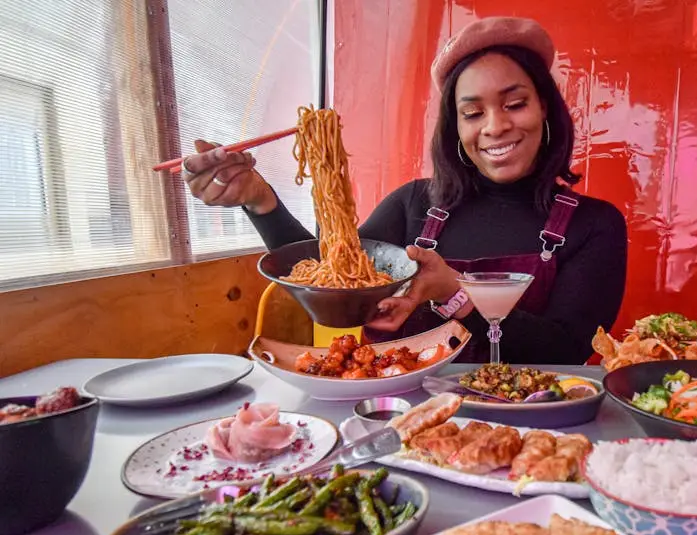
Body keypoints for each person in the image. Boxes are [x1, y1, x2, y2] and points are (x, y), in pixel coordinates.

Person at [180, 17, 627, 364]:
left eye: (514, 104)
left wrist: (456, 294)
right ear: (456, 126)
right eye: (472, 113)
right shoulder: (415, 205)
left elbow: (566, 352)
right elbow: (330, 280)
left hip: (530, 427)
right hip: (397, 419)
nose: (495, 126)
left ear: (544, 108)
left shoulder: (593, 225)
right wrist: (260, 201)